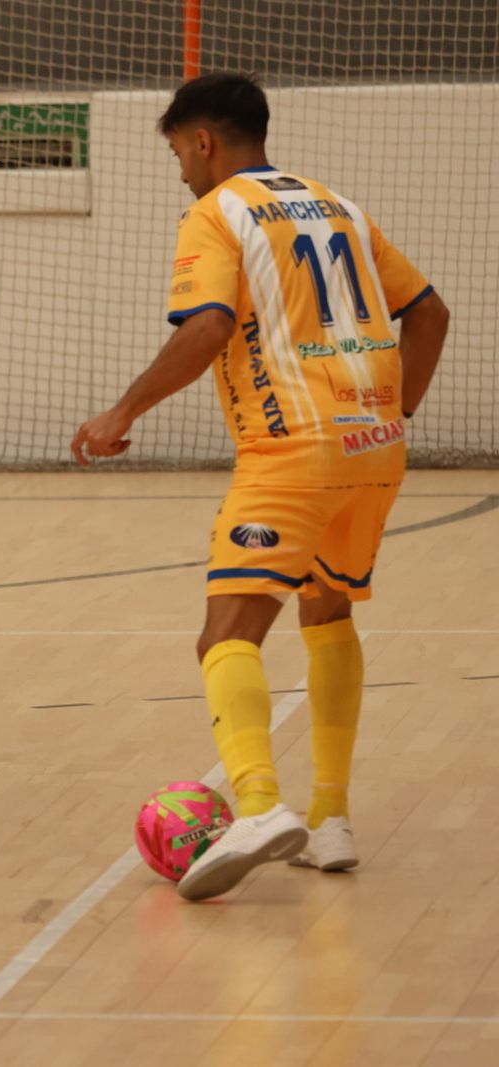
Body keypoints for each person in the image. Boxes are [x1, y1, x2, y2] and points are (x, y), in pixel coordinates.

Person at [70, 74, 450, 901]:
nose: (179, 171)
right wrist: (397, 410)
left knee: (226, 635)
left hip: (293, 449)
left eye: (177, 151)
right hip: (375, 448)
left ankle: (259, 804)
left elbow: (207, 327)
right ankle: (333, 818)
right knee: (327, 611)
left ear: (203, 140)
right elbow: (431, 314)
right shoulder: (335, 204)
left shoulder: (215, 214)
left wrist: (120, 410)